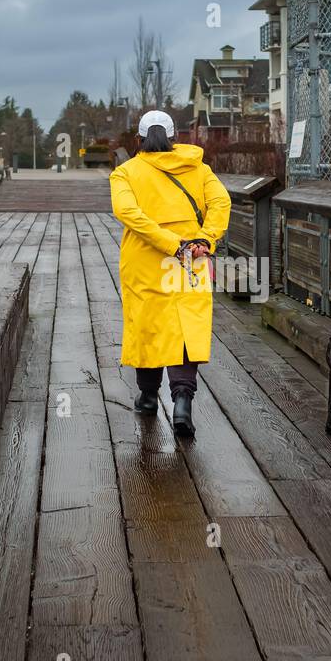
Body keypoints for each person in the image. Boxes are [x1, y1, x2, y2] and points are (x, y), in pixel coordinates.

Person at [109, 110, 230, 437]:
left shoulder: (125, 173)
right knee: (185, 326)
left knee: (148, 324)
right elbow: (221, 203)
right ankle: (182, 402)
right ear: (176, 137)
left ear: (139, 139)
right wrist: (204, 239)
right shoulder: (199, 168)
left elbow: (127, 213)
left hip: (146, 260)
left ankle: (148, 397)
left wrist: (169, 243)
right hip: (192, 258)